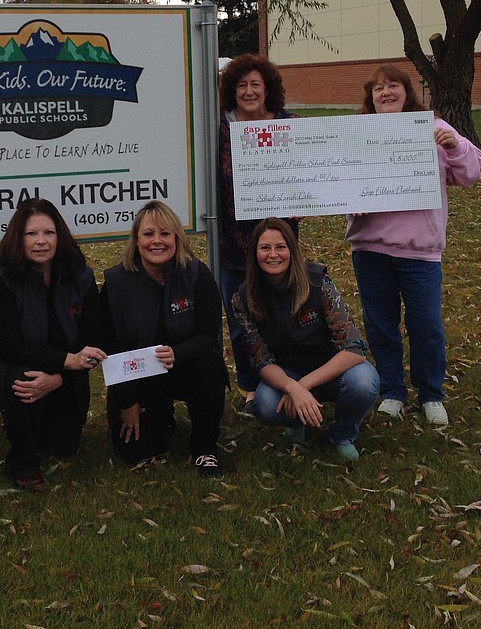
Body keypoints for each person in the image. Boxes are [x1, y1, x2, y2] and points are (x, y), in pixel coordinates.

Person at [345, 64, 481, 428]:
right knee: (380, 326)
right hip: (370, 248)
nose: (385, 93)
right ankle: (392, 390)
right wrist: (348, 197)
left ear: (408, 92)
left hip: (419, 250)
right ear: (369, 98)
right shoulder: (355, 134)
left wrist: (457, 147)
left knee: (426, 325)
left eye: (393, 86)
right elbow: (336, 178)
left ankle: (431, 394)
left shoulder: (434, 129)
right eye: (377, 89)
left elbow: (471, 175)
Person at [0, 198, 106, 489]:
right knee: (24, 380)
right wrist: (67, 361)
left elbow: (93, 338)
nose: (41, 241)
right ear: (18, 237)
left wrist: (59, 378)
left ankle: (25, 418)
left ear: (60, 235)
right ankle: (23, 465)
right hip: (0, 363)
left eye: (49, 233)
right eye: (31, 234)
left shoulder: (79, 274)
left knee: (62, 446)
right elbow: (5, 345)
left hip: (61, 372)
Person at [233, 218, 379, 461]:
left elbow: (354, 348)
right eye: (264, 248)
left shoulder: (318, 282)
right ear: (254, 253)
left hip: (331, 372)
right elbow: (262, 362)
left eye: (280, 247)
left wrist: (304, 386)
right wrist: (291, 387)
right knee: (265, 405)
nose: (273, 255)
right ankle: (296, 422)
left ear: (292, 249)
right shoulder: (244, 298)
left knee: (364, 382)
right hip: (286, 375)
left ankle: (343, 434)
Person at [101, 201, 228, 477]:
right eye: (148, 234)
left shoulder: (196, 273)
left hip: (185, 367)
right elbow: (109, 351)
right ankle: (160, 417)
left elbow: (208, 336)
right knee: (137, 453)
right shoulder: (116, 283)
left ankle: (205, 448)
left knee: (209, 365)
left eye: (165, 234)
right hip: (138, 379)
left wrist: (178, 353)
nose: (157, 241)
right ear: (136, 240)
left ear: (176, 239)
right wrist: (127, 403)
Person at [216, 54, 300, 416]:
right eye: (241, 85)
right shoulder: (218, 128)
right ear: (231, 90)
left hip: (279, 243)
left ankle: (287, 379)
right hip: (233, 244)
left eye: (255, 84)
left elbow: (315, 170)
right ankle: (252, 387)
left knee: (283, 314)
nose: (248, 91)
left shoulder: (291, 126)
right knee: (239, 318)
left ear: (268, 90)